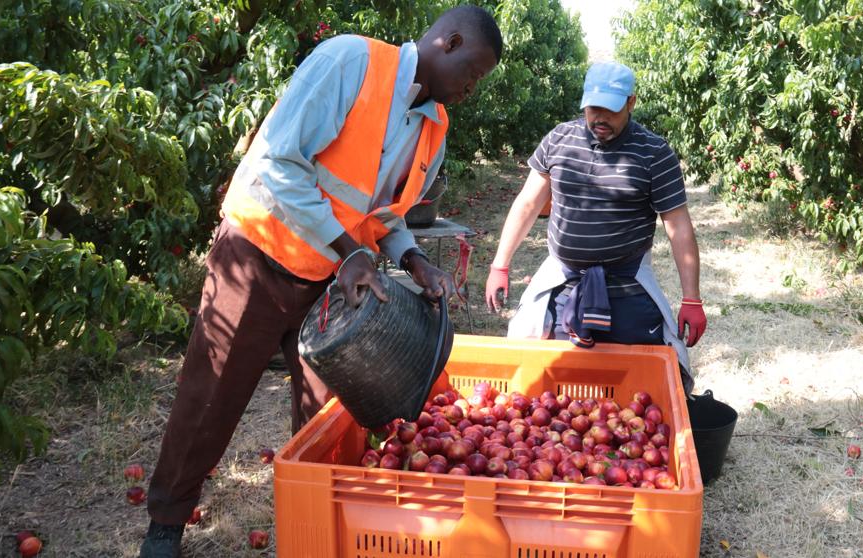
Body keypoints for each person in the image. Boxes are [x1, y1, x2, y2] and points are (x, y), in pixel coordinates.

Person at [140, 6, 502, 556]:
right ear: (448, 42)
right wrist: (351, 251)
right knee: (213, 396)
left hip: (332, 281)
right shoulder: (350, 62)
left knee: (331, 415)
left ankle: (322, 526)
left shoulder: (435, 130)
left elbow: (386, 214)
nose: (472, 90)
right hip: (260, 254)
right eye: (473, 75)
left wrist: (411, 260)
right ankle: (167, 520)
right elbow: (277, 163)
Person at [484, 62, 705, 391]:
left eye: (610, 110)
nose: (599, 118)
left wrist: (692, 299)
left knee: (643, 378)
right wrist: (500, 264)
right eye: (593, 108)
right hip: (565, 281)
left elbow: (678, 227)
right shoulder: (559, 140)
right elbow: (528, 203)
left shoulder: (653, 153)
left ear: (631, 103)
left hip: (627, 284)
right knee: (549, 377)